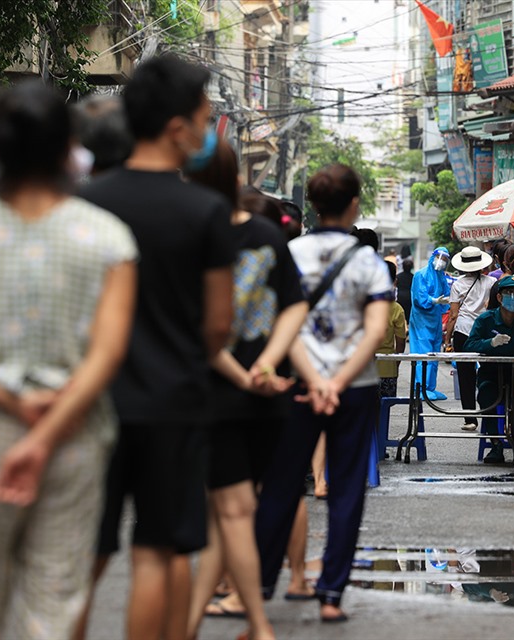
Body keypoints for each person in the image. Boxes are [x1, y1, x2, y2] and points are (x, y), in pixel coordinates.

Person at [0, 81, 137, 639]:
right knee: (54, 602)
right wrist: (46, 431)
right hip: (74, 433)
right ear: (70, 151)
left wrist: (7, 397)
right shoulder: (107, 237)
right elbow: (110, 351)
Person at [79, 54, 236, 640]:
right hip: (174, 402)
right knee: (158, 553)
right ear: (176, 128)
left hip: (93, 402)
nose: (206, 129)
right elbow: (218, 326)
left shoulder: (86, 204)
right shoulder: (206, 211)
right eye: (202, 118)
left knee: (82, 559)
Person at [255, 164, 391, 623]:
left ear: (311, 204)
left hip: (298, 385)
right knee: (347, 490)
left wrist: (313, 378)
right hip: (354, 388)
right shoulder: (369, 262)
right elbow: (374, 331)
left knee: (281, 482)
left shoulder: (287, 253)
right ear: (354, 205)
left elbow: (283, 324)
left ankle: (258, 585)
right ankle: (331, 593)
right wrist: (336, 381)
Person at [182, 142, 307, 640]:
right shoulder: (264, 233)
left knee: (227, 513)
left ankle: (251, 623)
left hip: (218, 396)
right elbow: (293, 308)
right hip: (269, 394)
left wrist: (244, 374)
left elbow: (198, 332)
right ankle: (238, 622)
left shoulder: (187, 237)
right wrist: (268, 364)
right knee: (237, 512)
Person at [463, 276, 514, 466]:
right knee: (487, 395)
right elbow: (468, 345)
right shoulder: (486, 320)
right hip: (491, 376)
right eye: (509, 293)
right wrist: (489, 343)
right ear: (499, 297)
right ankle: (496, 444)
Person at [445, 247, 496, 431]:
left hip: (463, 332)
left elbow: (453, 314)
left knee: (465, 377)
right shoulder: (492, 282)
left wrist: (447, 339)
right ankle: (490, 415)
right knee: (488, 374)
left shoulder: (458, 284)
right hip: (484, 332)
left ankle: (470, 419)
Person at [408, 247, 451, 400]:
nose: (442, 261)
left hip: (435, 320)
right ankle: (420, 388)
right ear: (433, 256)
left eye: (445, 259)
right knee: (422, 353)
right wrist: (433, 300)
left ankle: (430, 387)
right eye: (440, 257)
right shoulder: (421, 274)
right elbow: (419, 297)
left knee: (434, 353)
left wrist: (445, 301)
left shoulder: (441, 276)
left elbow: (446, 295)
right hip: (421, 320)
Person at [376, 259, 408, 401]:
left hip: (362, 369)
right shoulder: (396, 309)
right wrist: (396, 362)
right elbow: (400, 343)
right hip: (387, 367)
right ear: (394, 281)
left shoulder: (362, 306)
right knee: (384, 409)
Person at [396, 257, 415, 321]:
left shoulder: (398, 276)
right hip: (410, 298)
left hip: (400, 297)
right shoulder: (413, 277)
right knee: (408, 315)